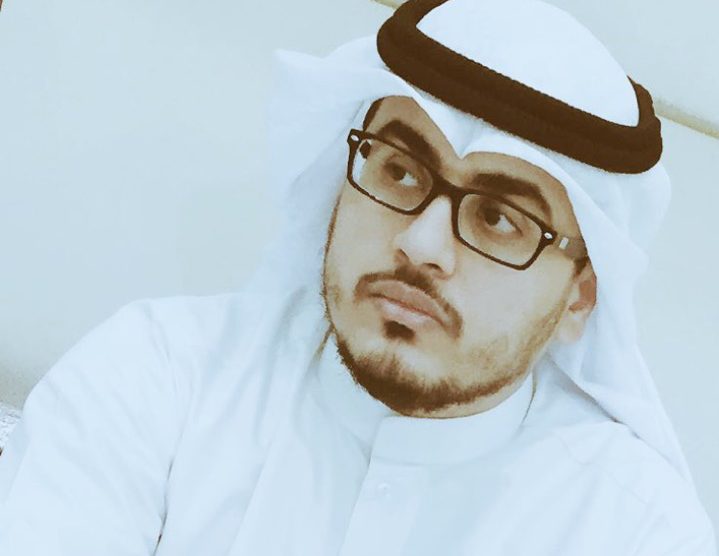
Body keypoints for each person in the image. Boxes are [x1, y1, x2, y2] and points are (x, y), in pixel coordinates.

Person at [0, 0, 715, 553]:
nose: (421, 243)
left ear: (581, 294)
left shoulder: (633, 528)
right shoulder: (158, 379)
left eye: (499, 217)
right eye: (400, 170)